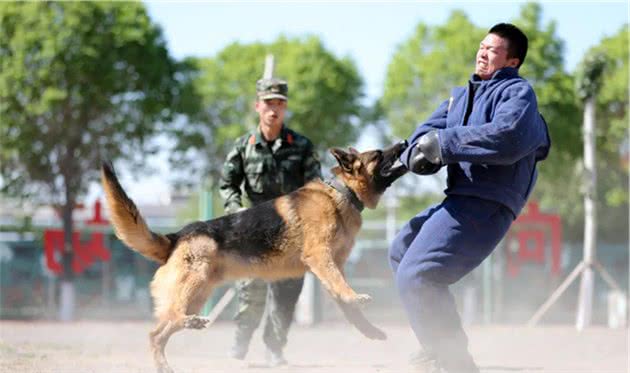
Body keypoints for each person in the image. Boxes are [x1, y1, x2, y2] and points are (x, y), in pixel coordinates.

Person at [389, 23, 550, 373]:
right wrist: (402, 159)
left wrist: (443, 144)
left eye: (492, 49)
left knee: (417, 274)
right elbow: (424, 133)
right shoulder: (460, 97)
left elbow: (508, 137)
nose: (482, 52)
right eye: (481, 46)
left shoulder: (517, 93)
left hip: (488, 202)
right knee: (402, 250)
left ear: (512, 60)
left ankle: (456, 362)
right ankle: (439, 347)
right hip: (459, 198)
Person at [219, 77, 322, 367]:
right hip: (253, 231)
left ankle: (275, 349)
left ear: (285, 107)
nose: (273, 109)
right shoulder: (243, 147)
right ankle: (240, 343)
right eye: (268, 103)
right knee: (250, 291)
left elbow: (316, 188)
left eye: (279, 103)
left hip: (292, 232)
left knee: (287, 295)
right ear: (257, 106)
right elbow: (227, 185)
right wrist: (235, 211)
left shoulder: (301, 146)